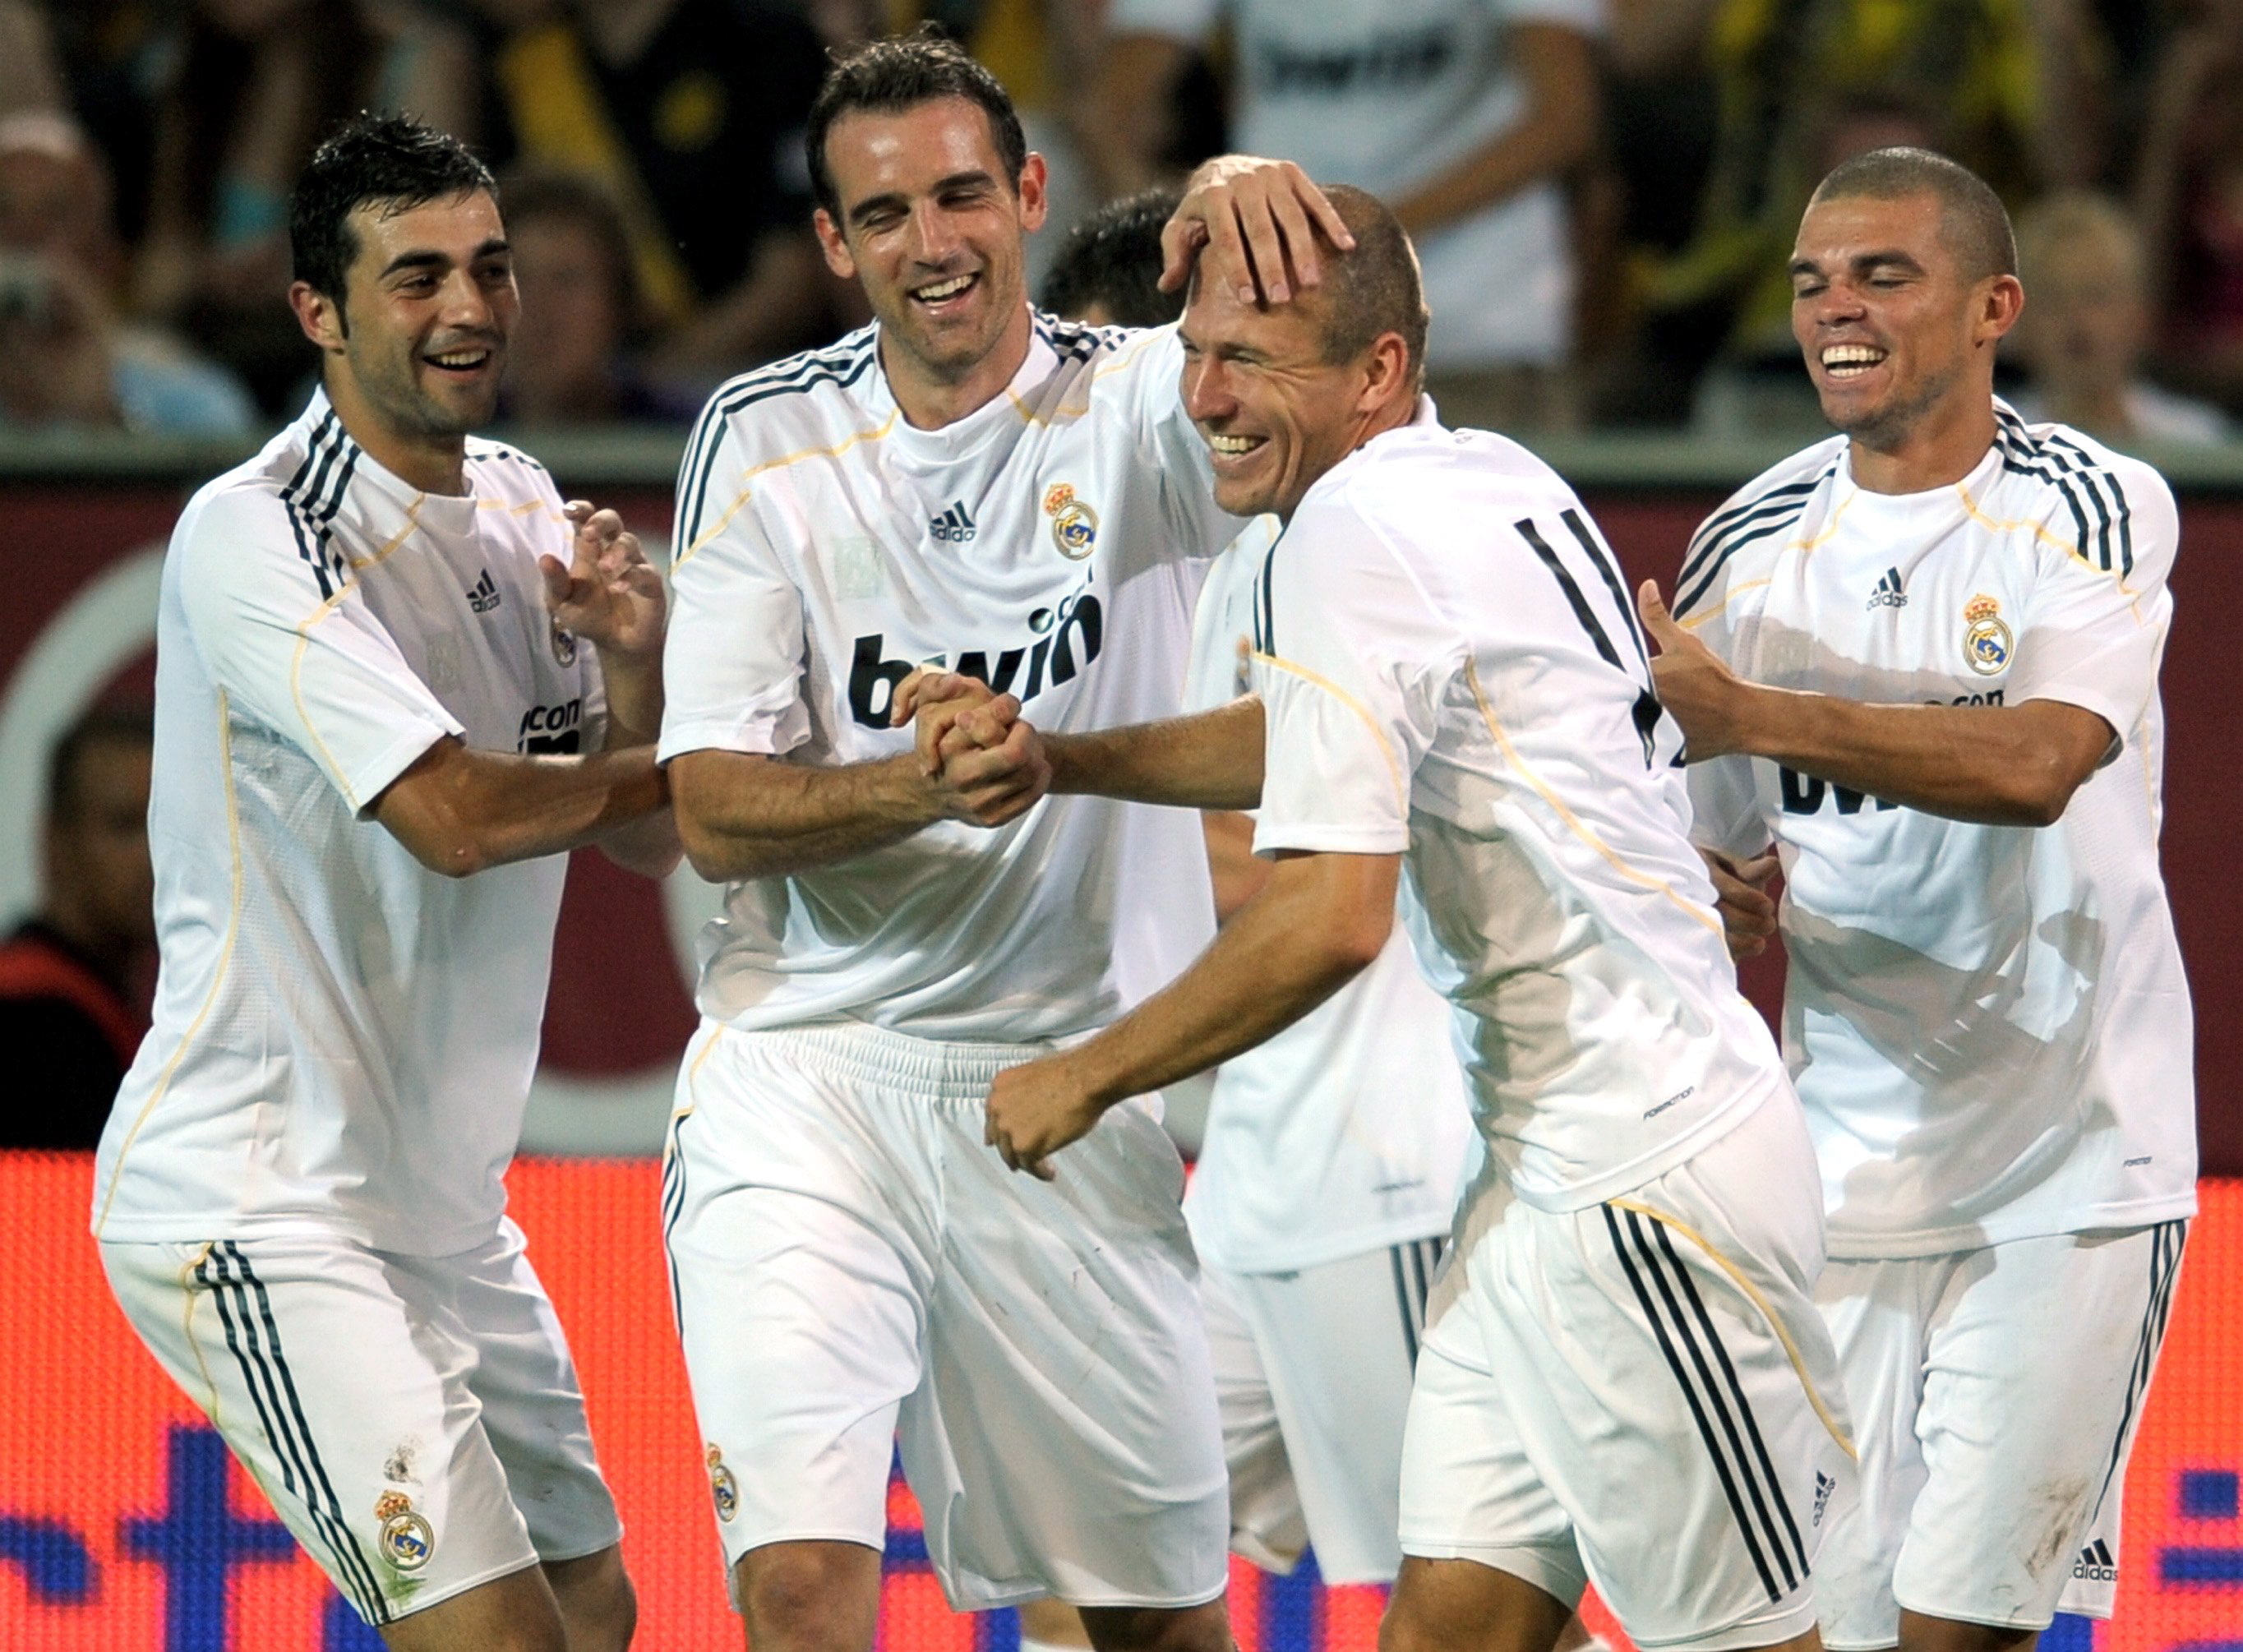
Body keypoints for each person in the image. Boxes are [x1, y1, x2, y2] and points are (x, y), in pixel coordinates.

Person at [928, 183, 1856, 1652]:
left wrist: (1087, 1073)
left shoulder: (1347, 534)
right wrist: (1066, 758)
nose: (1208, 396)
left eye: (1256, 359)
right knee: (1440, 1633)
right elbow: (1314, 733)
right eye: (1197, 349)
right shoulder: (1481, 472)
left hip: (1641, 1183)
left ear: (1372, 375)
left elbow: (1330, 921)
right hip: (1539, 1181)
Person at [654, 27, 1353, 1652]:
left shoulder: (1133, 412)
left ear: (1029, 195)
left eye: (960, 195)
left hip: (1051, 1076)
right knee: (806, 1583)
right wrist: (923, 783)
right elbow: (709, 810)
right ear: (833, 246)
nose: (929, 243)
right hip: (802, 1080)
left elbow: (1360, 435)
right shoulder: (760, 441)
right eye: (882, 216)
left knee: (1160, 1622)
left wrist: (1256, 232)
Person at [93, 113, 679, 1652]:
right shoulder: (256, 531)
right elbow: (459, 819)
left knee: (589, 1607)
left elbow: (636, 838)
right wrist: (704, 776)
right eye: (414, 276)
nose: (471, 307)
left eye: (487, 268)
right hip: (259, 1191)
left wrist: (636, 678)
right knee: (490, 1637)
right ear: (318, 310)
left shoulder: (524, 501)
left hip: (441, 1214)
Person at [1637, 145, 2195, 1652]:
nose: (1836, 310)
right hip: (1836, 1182)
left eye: (1884, 275)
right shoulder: (1743, 545)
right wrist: (1717, 893)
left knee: (1956, 1636)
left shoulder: (2092, 502)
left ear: (1987, 307)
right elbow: (1716, 855)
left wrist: (1760, 712)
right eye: (1812, 282)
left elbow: (2032, 764)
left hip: (2069, 1173)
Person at [1029, 187, 1478, 1622]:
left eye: (1147, 380)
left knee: (1469, 1611)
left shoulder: (1373, 516)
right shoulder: (1225, 561)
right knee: (1091, 1557)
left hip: (1388, 1165)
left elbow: (1290, 871)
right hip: (1247, 1187)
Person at [1087, 0, 1603, 430]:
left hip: (1479, 337)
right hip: (1277, 346)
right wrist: (1196, 253)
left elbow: (1564, 115)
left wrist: (1357, 239)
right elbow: (1113, 110)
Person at [0, 705, 155, 1151]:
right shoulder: (32, 1024)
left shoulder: (101, 1009)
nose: (155, 854)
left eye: (164, 823)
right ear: (56, 840)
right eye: (125, 825)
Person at [2010, 189, 2230, 447]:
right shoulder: (1989, 450)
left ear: (2139, 314)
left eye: (2096, 296)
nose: (2077, 319)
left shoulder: (2199, 443)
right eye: (2054, 300)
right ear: (2018, 322)